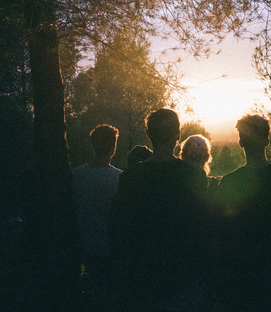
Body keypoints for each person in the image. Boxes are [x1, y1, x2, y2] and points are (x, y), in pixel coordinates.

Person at [110, 109, 212, 312]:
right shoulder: (194, 175)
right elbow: (203, 230)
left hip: (141, 279)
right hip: (184, 278)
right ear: (178, 135)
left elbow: (119, 232)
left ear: (149, 135)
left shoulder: (130, 177)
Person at [214, 114, 271, 311]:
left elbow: (220, 230)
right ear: (267, 141)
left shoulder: (228, 182)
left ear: (241, 142)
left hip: (240, 272)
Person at [72, 124, 122, 299]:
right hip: (110, 248)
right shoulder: (120, 178)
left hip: (81, 245)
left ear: (92, 145)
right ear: (113, 147)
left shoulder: (75, 175)